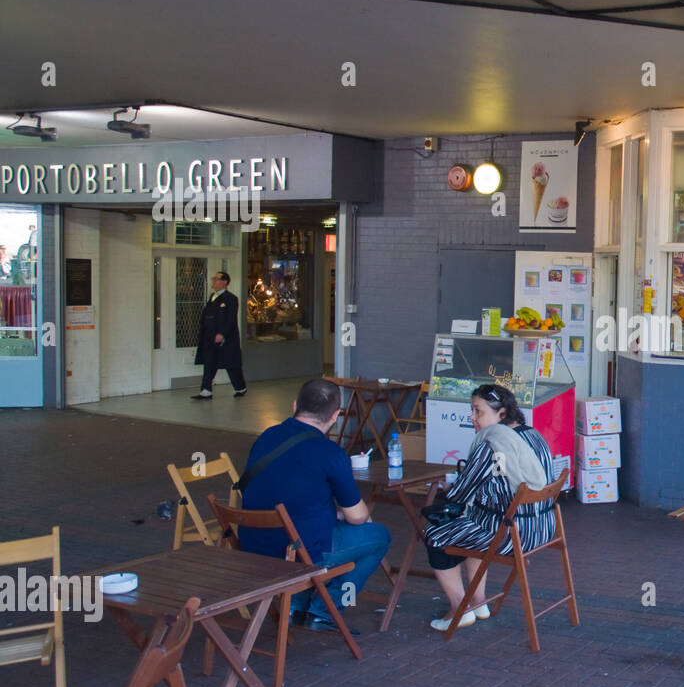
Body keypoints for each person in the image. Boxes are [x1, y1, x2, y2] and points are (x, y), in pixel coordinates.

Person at [238, 378, 390, 633]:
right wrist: (342, 513)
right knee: (378, 535)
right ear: (335, 416)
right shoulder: (331, 453)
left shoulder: (267, 436)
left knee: (311, 525)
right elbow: (358, 517)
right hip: (296, 551)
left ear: (295, 404)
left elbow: (281, 488)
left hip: (252, 542)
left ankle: (295, 605)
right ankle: (324, 610)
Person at [423, 384, 557, 631]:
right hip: (544, 528)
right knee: (472, 521)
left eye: (478, 411)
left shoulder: (492, 445)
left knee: (436, 535)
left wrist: (447, 487)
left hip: (512, 534)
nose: (472, 418)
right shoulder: (533, 435)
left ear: (502, 414)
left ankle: (459, 609)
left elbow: (459, 495)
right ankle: (478, 601)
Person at [192, 270, 247, 399]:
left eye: (217, 279)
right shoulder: (212, 297)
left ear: (225, 282)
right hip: (210, 336)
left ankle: (240, 387)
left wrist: (222, 334)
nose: (214, 281)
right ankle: (206, 390)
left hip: (225, 337)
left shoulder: (231, 299)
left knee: (230, 363)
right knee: (210, 362)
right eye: (213, 279)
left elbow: (230, 319)